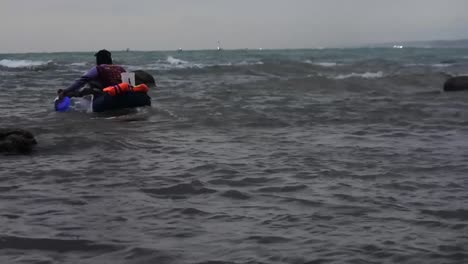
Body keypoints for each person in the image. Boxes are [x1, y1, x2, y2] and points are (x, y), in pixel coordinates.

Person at [58, 49, 126, 98]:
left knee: (87, 87)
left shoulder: (99, 68)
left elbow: (82, 80)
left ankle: (66, 95)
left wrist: (66, 90)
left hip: (106, 95)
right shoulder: (120, 68)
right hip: (121, 93)